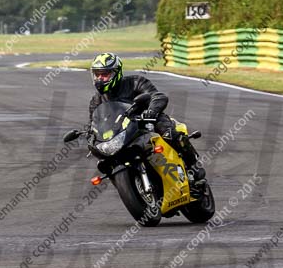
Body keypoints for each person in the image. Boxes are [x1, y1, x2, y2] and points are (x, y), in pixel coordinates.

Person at [88, 52, 205, 181]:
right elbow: (94, 123)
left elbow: (158, 96)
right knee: (106, 161)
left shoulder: (135, 82)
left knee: (169, 133)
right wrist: (91, 135)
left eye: (104, 74)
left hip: (146, 121)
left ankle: (193, 165)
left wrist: (151, 111)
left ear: (116, 73)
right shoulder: (96, 101)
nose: (100, 79)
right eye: (97, 74)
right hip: (123, 132)